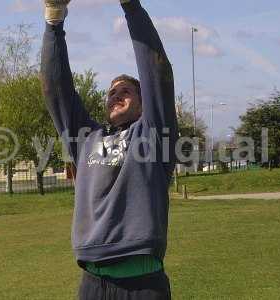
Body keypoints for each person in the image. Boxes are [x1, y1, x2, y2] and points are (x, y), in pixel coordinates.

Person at [41, 0, 178, 299]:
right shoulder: (86, 138)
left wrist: (131, 7)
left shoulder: (154, 134)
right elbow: (56, 88)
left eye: (126, 91)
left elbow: (157, 73)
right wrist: (54, 20)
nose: (116, 95)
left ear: (143, 103)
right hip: (92, 284)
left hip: (143, 283)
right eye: (111, 92)